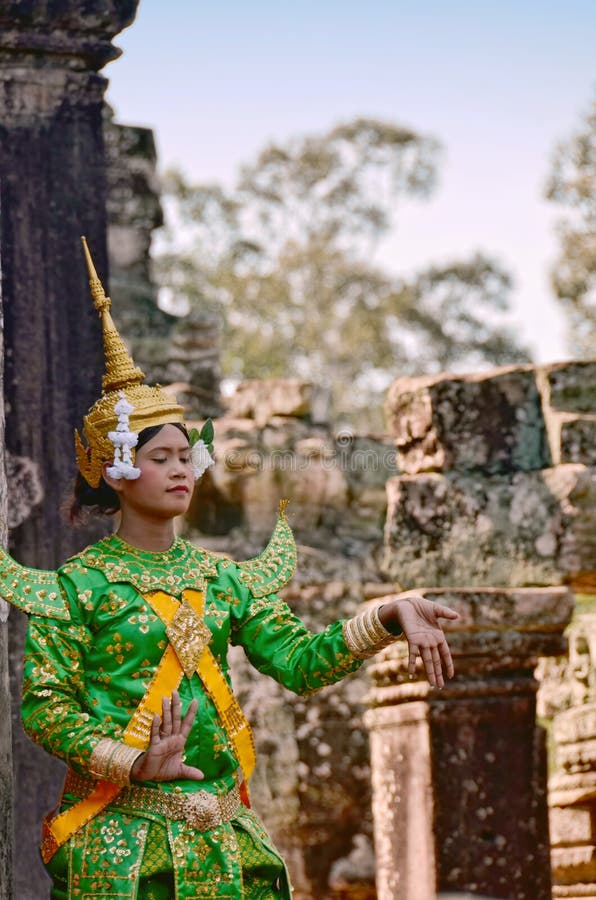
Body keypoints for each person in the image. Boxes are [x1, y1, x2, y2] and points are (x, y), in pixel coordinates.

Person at [0, 239, 458, 899]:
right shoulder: (78, 589)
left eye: (187, 455)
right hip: (122, 849)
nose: (181, 468)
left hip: (227, 841)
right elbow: (47, 709)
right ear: (117, 468)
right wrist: (134, 762)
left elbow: (300, 662)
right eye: (161, 456)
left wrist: (385, 616)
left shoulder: (227, 580)